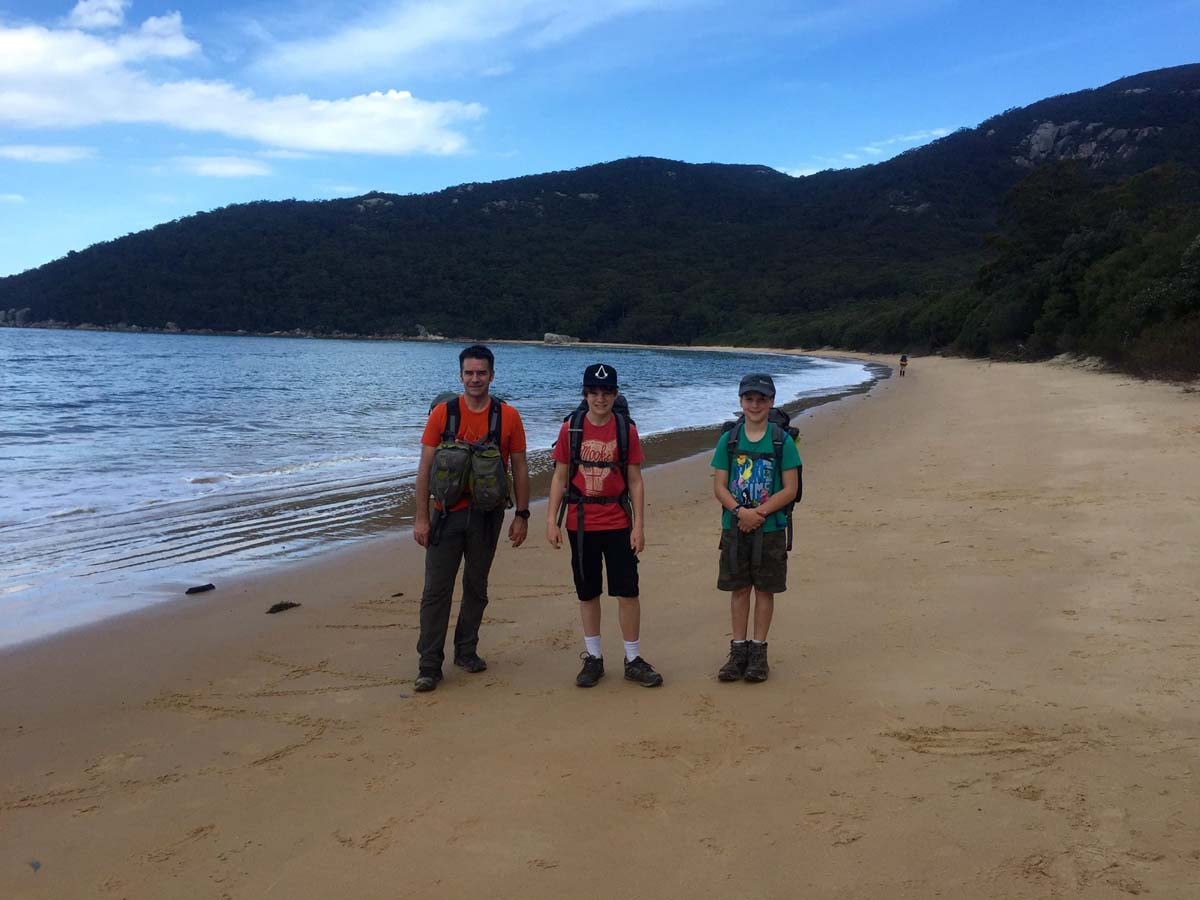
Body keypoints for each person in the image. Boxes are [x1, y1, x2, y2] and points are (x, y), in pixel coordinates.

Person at [412, 344, 530, 692]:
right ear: (460, 375)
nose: (475, 379)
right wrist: (421, 517)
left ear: (492, 375)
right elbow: (425, 468)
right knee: (436, 591)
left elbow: (520, 467)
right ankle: (429, 665)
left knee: (476, 587)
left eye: (481, 373)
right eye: (469, 373)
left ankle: (466, 650)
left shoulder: (508, 416)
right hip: (445, 515)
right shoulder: (442, 414)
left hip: (486, 517)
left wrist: (522, 515)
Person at [546, 364, 663, 688]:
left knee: (627, 591)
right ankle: (594, 658)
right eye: (594, 392)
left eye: (607, 392)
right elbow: (559, 475)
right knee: (588, 592)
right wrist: (551, 520)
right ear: (585, 394)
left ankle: (633, 659)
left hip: (618, 521)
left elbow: (635, 481)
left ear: (615, 394)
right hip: (580, 523)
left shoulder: (626, 431)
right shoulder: (571, 429)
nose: (600, 398)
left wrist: (639, 526)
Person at [711, 374, 801, 683]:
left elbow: (790, 488)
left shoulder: (781, 441)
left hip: (770, 528)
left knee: (764, 589)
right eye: (749, 399)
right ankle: (738, 651)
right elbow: (719, 486)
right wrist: (740, 512)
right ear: (741, 401)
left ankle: (759, 652)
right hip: (734, 527)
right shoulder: (729, 439)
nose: (755, 405)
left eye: (761, 399)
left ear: (772, 401)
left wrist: (758, 513)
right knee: (739, 589)